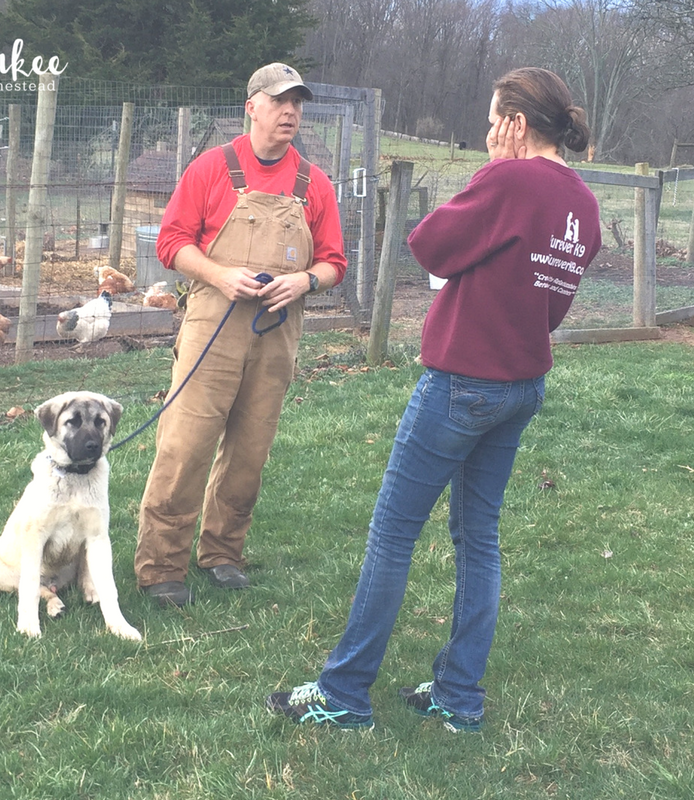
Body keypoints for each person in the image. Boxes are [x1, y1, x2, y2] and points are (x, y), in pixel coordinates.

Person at [266, 67, 602, 731]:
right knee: (480, 540)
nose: (485, 132)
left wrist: (494, 169)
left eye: (491, 119)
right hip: (520, 385)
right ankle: (459, 697)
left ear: (514, 124)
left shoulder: (508, 178)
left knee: (393, 532)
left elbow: (427, 244)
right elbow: (549, 306)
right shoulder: (583, 203)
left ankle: (345, 692)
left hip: (462, 383)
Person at [135, 63, 347, 607]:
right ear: (251, 106)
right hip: (213, 324)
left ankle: (223, 552)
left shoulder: (313, 183)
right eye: (279, 102)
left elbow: (334, 263)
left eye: (297, 103)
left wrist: (304, 280)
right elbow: (171, 243)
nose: (290, 112)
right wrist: (217, 273)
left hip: (276, 332)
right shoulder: (212, 168)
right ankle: (161, 564)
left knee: (250, 449)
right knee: (186, 444)